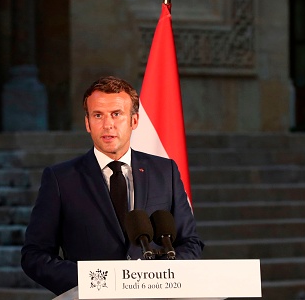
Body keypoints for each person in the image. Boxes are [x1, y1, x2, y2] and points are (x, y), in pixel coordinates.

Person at [21, 76, 203, 295]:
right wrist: (94, 281)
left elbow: (190, 242)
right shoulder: (61, 179)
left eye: (116, 114)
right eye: (98, 115)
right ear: (87, 123)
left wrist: (162, 277)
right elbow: (35, 255)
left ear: (134, 120)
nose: (108, 124)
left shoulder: (165, 171)